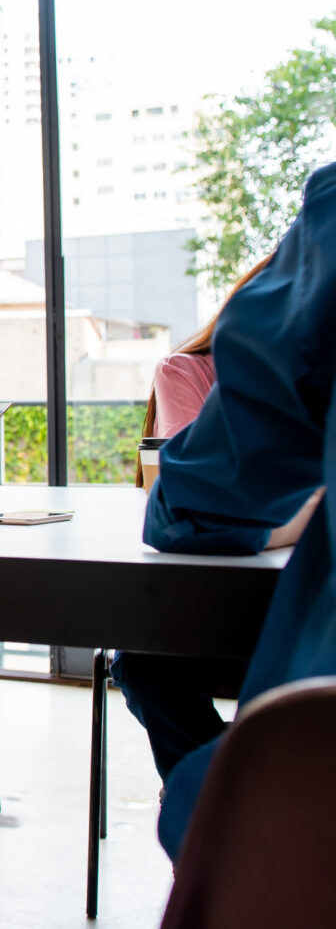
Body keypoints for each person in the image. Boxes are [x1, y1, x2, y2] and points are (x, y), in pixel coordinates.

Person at [144, 161, 333, 861]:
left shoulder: (330, 225)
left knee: (150, 656)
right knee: (147, 658)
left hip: (304, 807)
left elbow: (194, 506)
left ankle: (211, 792)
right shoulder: (182, 370)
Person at [114, 255, 284, 785]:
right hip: (216, 606)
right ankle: (220, 804)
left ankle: (227, 807)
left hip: (304, 610)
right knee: (143, 662)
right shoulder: (189, 372)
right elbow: (195, 510)